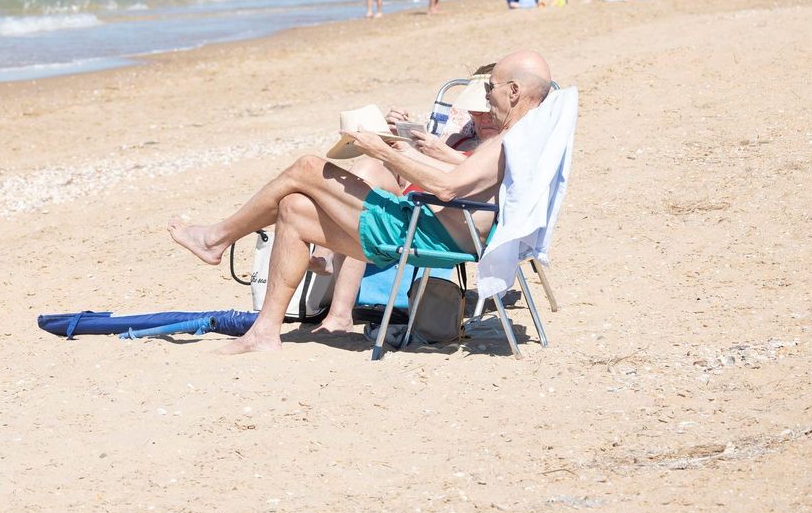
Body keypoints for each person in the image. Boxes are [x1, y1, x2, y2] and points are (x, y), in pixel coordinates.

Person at [166, 51, 555, 354]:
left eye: (490, 88)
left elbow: (448, 187)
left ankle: (216, 239)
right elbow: (462, 177)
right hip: (431, 225)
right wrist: (402, 148)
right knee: (294, 209)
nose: (486, 98)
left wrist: (380, 151)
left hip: (427, 231)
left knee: (307, 167)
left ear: (514, 91)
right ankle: (265, 332)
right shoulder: (522, 138)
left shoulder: (509, 141)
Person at [310, 66, 502, 336]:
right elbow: (411, 171)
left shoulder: (502, 148)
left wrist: (441, 152)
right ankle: (333, 288)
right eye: (475, 112)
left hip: (437, 216)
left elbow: (464, 182)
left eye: (487, 111)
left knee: (367, 198)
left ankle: (330, 268)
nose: (483, 119)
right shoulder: (458, 138)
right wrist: (397, 139)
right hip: (411, 199)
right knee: (367, 169)